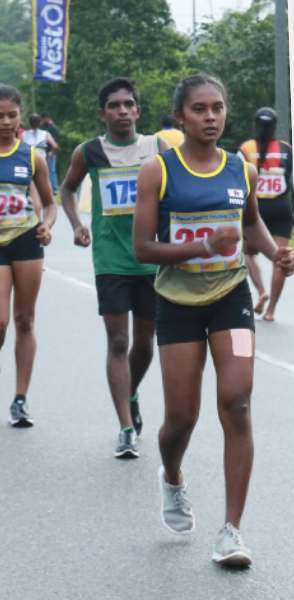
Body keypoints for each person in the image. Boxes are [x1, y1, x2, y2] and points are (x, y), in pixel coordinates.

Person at [133, 74, 294, 567]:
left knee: (237, 401)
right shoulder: (158, 171)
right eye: (199, 109)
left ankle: (231, 531)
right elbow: (143, 248)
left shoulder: (241, 169)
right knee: (181, 418)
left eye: (218, 108)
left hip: (230, 297)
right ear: (180, 116)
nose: (210, 117)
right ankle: (172, 477)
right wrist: (202, 245)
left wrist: (275, 252)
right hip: (177, 301)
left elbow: (251, 223)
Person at [59, 77, 166, 458]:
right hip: (110, 259)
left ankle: (130, 392)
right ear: (102, 113)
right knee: (118, 341)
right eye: (114, 106)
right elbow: (67, 189)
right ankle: (125, 427)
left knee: (145, 344)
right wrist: (77, 224)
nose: (122, 111)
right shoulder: (89, 152)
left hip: (151, 259)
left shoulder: (157, 148)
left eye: (128, 104)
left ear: (138, 110)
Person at [0, 85, 57, 427]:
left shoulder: (32, 156)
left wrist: (47, 225)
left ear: (20, 115)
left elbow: (49, 204)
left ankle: (20, 399)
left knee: (24, 320)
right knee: (0, 321)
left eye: (12, 115)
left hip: (25, 240)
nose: (6, 122)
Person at [238, 107, 294, 322]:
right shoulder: (286, 149)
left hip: (255, 208)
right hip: (281, 207)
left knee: (248, 254)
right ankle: (271, 310)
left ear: (255, 125)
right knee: (280, 258)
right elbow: (290, 180)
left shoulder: (245, 149)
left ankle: (261, 291)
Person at [39, 113, 60, 194]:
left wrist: (52, 152)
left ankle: (54, 189)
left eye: (43, 119)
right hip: (44, 152)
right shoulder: (42, 127)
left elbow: (56, 142)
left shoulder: (53, 128)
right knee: (44, 171)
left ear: (46, 118)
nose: (42, 121)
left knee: (51, 170)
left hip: (51, 152)